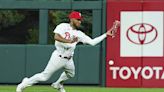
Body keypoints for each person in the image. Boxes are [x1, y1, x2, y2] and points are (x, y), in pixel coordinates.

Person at [16, 11, 120, 92]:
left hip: (69, 59)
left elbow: (92, 42)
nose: (80, 21)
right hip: (58, 57)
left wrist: (106, 35)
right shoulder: (62, 26)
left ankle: (57, 84)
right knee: (44, 77)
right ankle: (23, 85)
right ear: (72, 19)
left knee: (71, 74)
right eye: (78, 19)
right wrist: (69, 40)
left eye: (80, 20)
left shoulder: (79, 34)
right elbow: (56, 37)